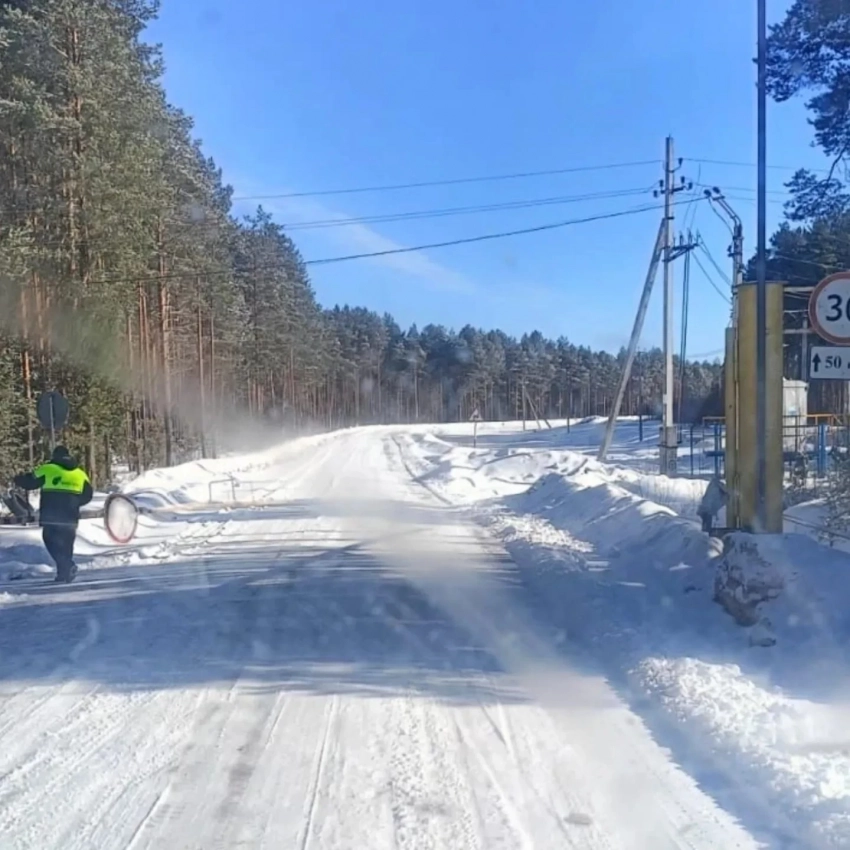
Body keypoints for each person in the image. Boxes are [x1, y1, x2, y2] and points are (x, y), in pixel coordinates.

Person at [14, 446, 93, 583]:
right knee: (66, 545)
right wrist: (74, 503)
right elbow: (88, 495)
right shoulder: (80, 473)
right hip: (70, 516)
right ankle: (64, 574)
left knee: (51, 541)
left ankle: (67, 566)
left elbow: (30, 482)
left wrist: (18, 479)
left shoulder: (48, 468)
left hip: (51, 515)